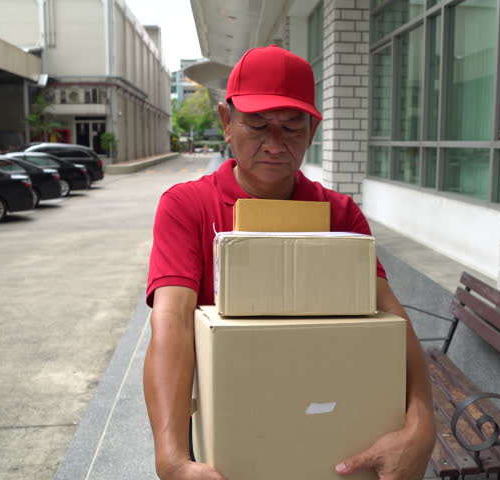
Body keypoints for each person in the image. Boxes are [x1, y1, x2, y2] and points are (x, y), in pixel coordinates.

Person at [143, 45, 435, 480]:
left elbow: (393, 319)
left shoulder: (339, 215)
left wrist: (422, 425)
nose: (275, 144)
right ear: (226, 122)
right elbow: (171, 321)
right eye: (258, 125)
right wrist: (171, 457)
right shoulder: (188, 207)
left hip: (327, 427)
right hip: (229, 434)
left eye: (292, 127)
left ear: (312, 130)